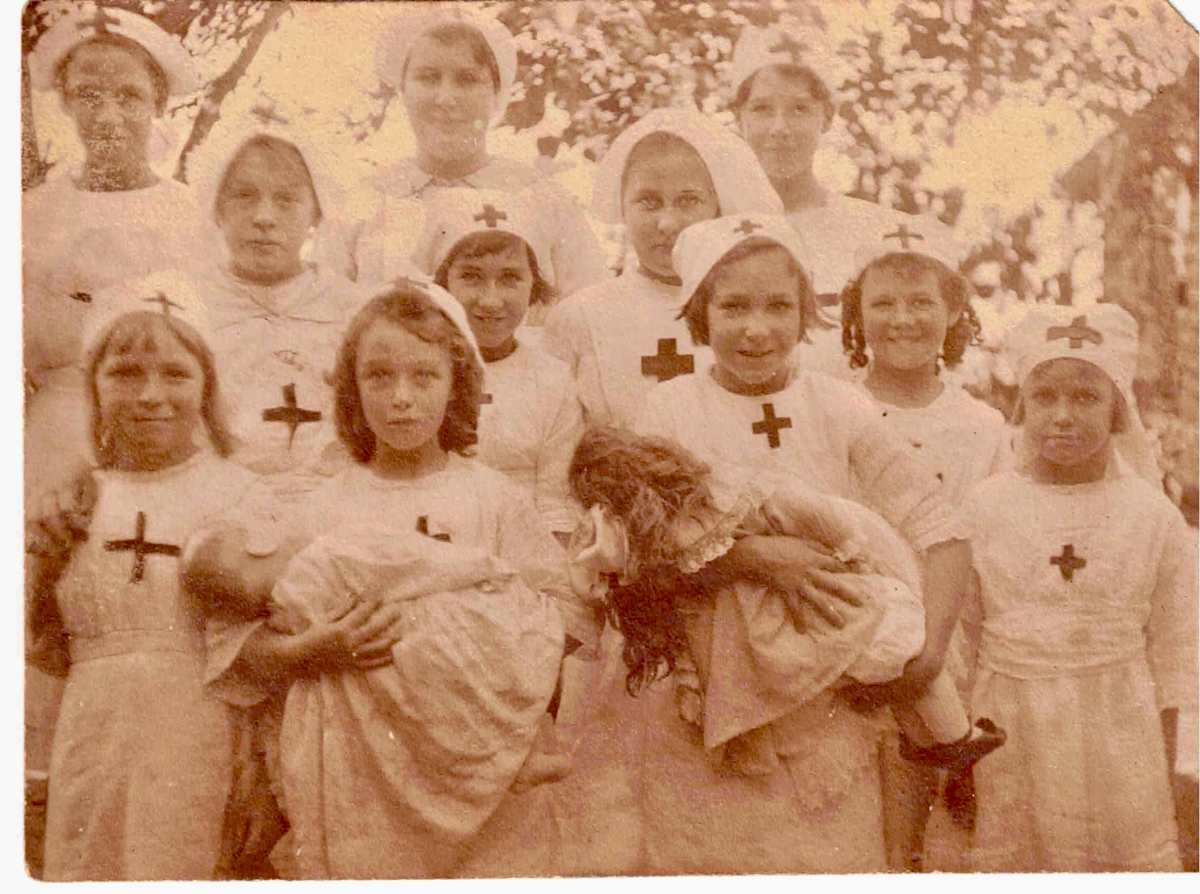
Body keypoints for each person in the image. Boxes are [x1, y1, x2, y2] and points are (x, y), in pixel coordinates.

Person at [198, 276, 591, 878]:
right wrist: (309, 651)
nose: (401, 397)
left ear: (459, 385)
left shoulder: (494, 499)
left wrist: (467, 647)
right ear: (352, 391)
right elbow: (238, 643)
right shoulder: (319, 504)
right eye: (378, 377)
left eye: (424, 376)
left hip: (486, 769)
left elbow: (565, 614)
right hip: (366, 774)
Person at [619, 213, 972, 872]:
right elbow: (640, 559)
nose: (757, 328)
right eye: (734, 306)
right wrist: (750, 558)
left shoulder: (840, 407)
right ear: (700, 312)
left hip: (824, 707)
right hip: (709, 702)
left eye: (779, 306)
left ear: (807, 311)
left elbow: (941, 528)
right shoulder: (667, 411)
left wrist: (927, 658)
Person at [565, 426, 1004, 774]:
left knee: (893, 655)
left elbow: (826, 516)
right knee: (886, 651)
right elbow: (642, 579)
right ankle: (946, 737)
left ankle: (939, 738)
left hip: (795, 615)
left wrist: (853, 554)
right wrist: (752, 556)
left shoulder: (732, 492)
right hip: (765, 624)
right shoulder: (680, 506)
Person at [25, 271, 258, 880]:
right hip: (92, 743)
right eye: (126, 374)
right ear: (95, 387)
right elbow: (49, 651)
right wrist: (43, 569)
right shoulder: (74, 503)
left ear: (206, 386)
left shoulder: (239, 496)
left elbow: (258, 652)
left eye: (176, 373)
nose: (152, 394)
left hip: (199, 739)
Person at [948, 303, 1197, 871]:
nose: (1062, 415)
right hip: (1009, 725)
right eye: (1045, 396)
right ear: (1021, 407)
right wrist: (959, 756)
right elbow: (961, 639)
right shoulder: (987, 506)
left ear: (1117, 412)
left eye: (1085, 397)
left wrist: (1157, 774)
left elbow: (1173, 656)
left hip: (1119, 726)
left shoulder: (1151, 516)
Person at [23, 4, 205, 780]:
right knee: (47, 579)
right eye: (89, 95)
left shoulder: (192, 214)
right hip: (60, 422)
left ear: (159, 106)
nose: (109, 115)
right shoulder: (29, 214)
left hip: (170, 430)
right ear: (62, 102)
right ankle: (37, 770)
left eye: (129, 96)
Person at [838, 215, 1012, 867]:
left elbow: (991, 546)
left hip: (950, 644)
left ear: (953, 313)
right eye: (883, 303)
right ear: (857, 316)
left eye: (921, 302)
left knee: (942, 828)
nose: (903, 319)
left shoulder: (981, 423)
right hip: (857, 636)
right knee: (864, 820)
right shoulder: (837, 406)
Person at [542, 107, 785, 430]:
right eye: (648, 202)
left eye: (688, 201)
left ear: (717, 206)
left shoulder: (755, 315)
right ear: (622, 206)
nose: (667, 223)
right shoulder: (579, 317)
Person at [353, 5, 606, 298]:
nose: (446, 98)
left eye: (468, 79)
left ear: (496, 93)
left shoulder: (546, 203)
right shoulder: (365, 202)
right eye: (428, 77)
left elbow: (592, 315)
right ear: (403, 89)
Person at [729, 24, 917, 377]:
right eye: (762, 109)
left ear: (827, 117)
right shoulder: (713, 227)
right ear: (739, 118)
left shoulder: (875, 231)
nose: (780, 127)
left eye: (799, 109)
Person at [418, 188, 584, 535]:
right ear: (441, 283)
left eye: (510, 278)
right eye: (471, 276)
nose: (491, 301)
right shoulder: (415, 374)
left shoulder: (552, 380)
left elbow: (555, 506)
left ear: (533, 287)